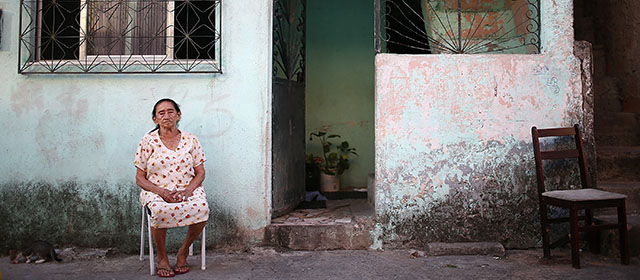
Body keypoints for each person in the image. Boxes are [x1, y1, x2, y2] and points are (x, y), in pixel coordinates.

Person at [134, 98, 209, 277]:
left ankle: (183, 253)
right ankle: (162, 257)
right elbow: (139, 178)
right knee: (159, 210)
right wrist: (162, 192)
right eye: (161, 113)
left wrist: (188, 191)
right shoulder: (148, 141)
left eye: (170, 111)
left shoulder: (191, 139)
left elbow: (200, 172)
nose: (166, 116)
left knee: (202, 208)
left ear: (178, 115)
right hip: (156, 190)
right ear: (155, 119)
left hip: (187, 187)